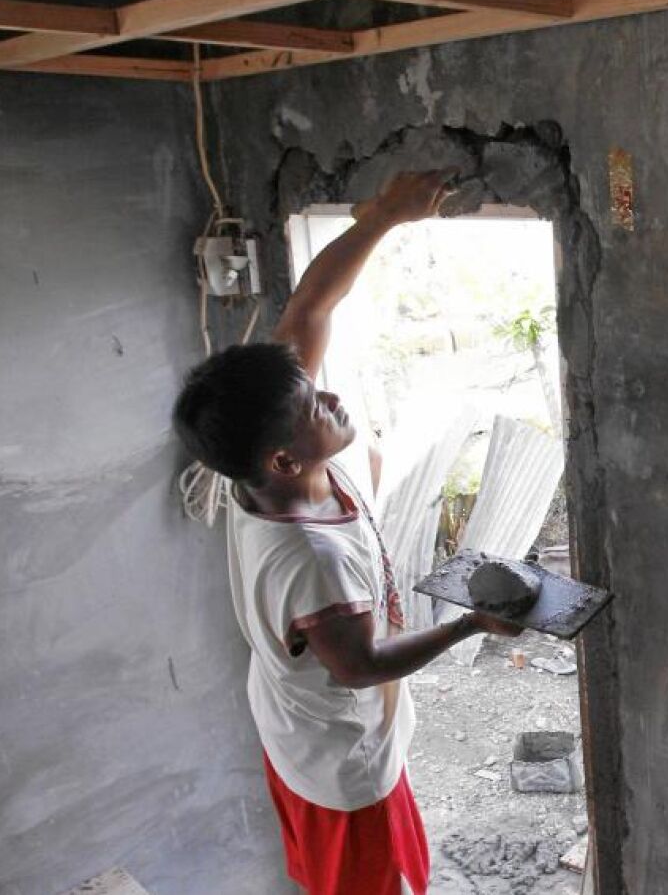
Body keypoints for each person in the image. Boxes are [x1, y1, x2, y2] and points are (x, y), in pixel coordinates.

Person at [172, 170, 520, 895]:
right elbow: (358, 666)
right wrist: (469, 625)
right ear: (284, 457)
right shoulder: (312, 558)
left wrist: (385, 217)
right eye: (314, 405)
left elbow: (311, 306)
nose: (329, 395)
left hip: (295, 729)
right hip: (342, 764)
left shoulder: (260, 475)